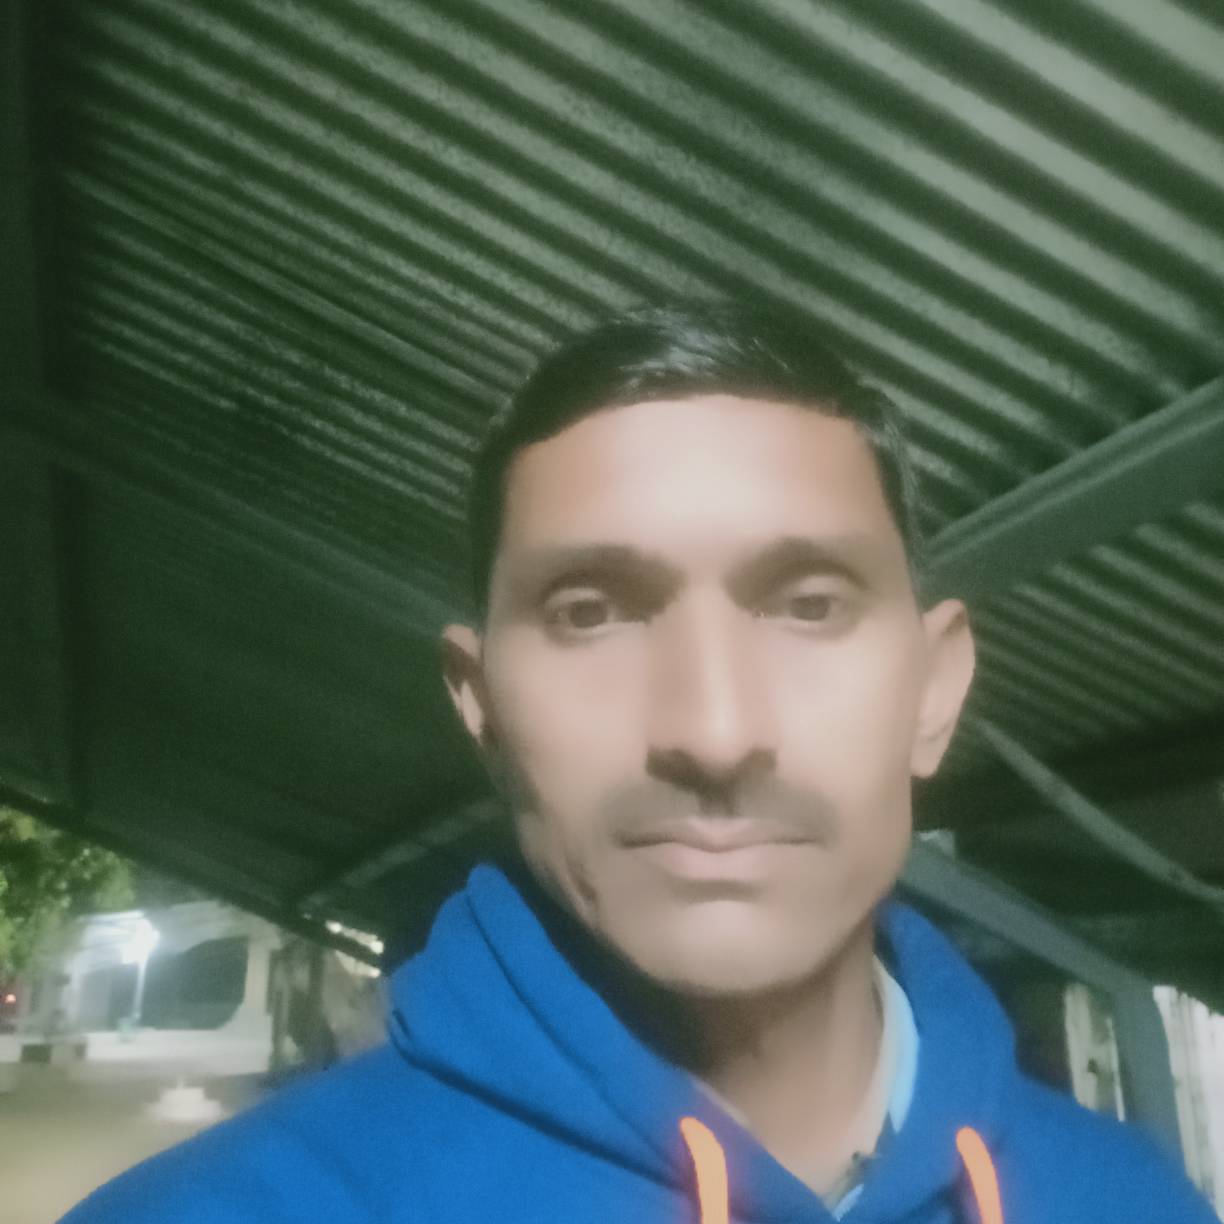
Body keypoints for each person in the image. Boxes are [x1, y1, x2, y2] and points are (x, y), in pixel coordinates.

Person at [63, 302, 1216, 1222]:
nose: (713, 731)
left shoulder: (1135, 1205)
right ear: (481, 706)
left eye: (809, 604)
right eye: (590, 612)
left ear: (935, 689)